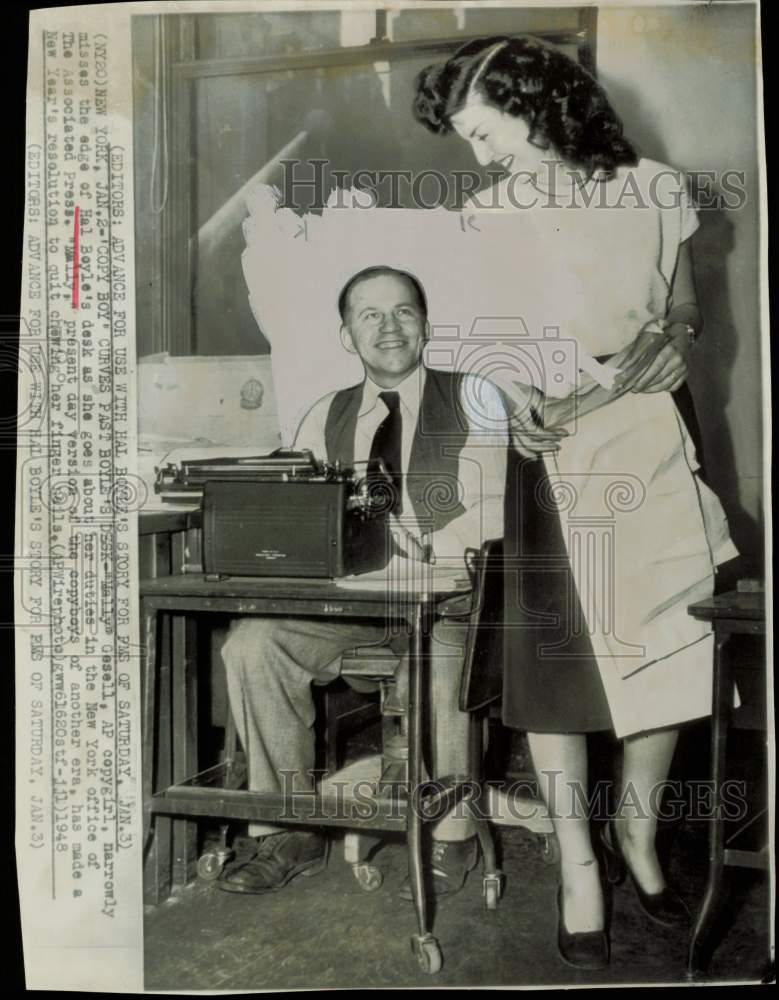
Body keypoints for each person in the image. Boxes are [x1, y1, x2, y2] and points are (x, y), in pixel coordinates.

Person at [412, 35, 738, 970]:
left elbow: (681, 308)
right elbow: (482, 349)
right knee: (560, 665)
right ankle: (577, 862)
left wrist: (677, 336)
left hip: (646, 423)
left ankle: (637, 835)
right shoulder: (480, 216)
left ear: (540, 102)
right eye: (467, 140)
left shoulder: (655, 187)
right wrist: (514, 404)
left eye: (486, 132)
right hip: (551, 445)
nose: (479, 156)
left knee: (669, 637)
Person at [219, 265, 513, 897]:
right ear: (347, 336)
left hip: (451, 607)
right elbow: (297, 515)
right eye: (369, 315)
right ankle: (285, 829)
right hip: (353, 610)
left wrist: (408, 541)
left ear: (426, 326)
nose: (388, 326)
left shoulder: (476, 396)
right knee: (253, 642)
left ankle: (453, 834)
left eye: (403, 311)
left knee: (438, 658)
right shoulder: (324, 413)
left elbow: (494, 515)